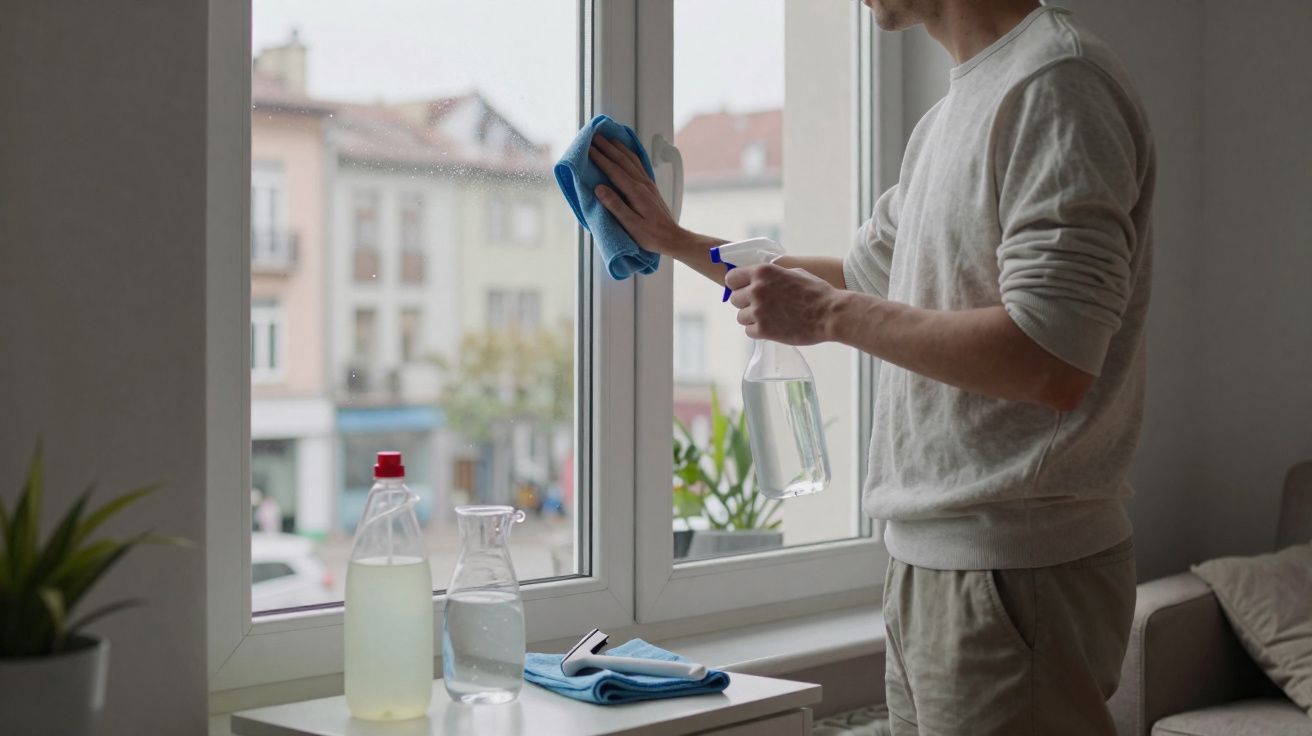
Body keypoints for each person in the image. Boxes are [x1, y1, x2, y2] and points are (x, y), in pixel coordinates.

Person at [589, 1, 1153, 733]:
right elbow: (855, 277)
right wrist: (672, 238)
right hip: (929, 567)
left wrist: (828, 318)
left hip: (1016, 571)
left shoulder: (1058, 83)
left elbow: (1053, 358)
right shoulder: (951, 115)